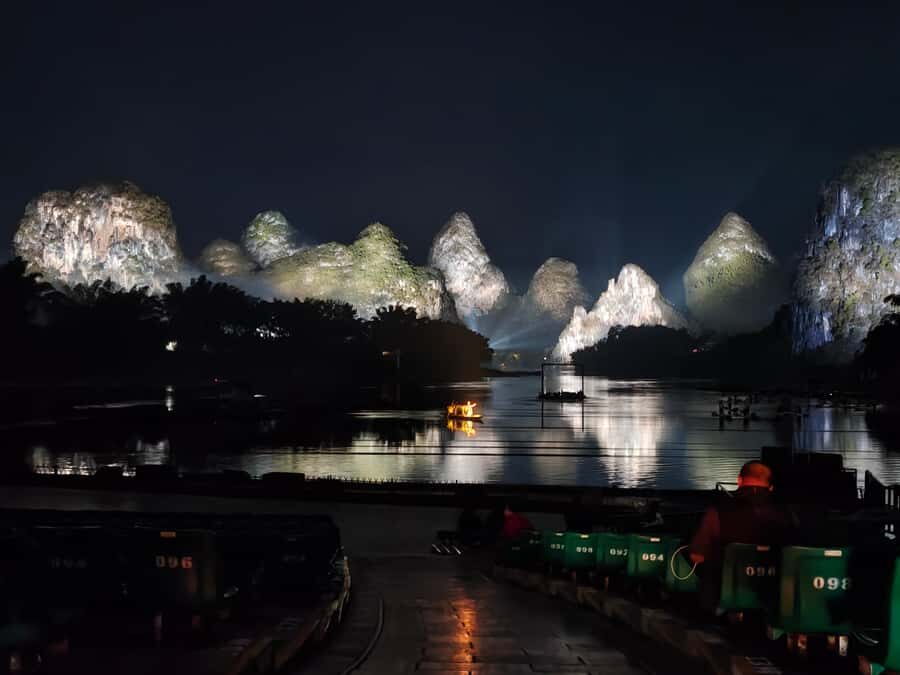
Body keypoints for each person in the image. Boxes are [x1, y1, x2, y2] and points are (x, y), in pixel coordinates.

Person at [689, 460, 790, 610]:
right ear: (770, 486)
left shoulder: (717, 512)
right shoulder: (787, 514)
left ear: (739, 480)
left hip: (726, 596)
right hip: (777, 598)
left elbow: (697, 556)